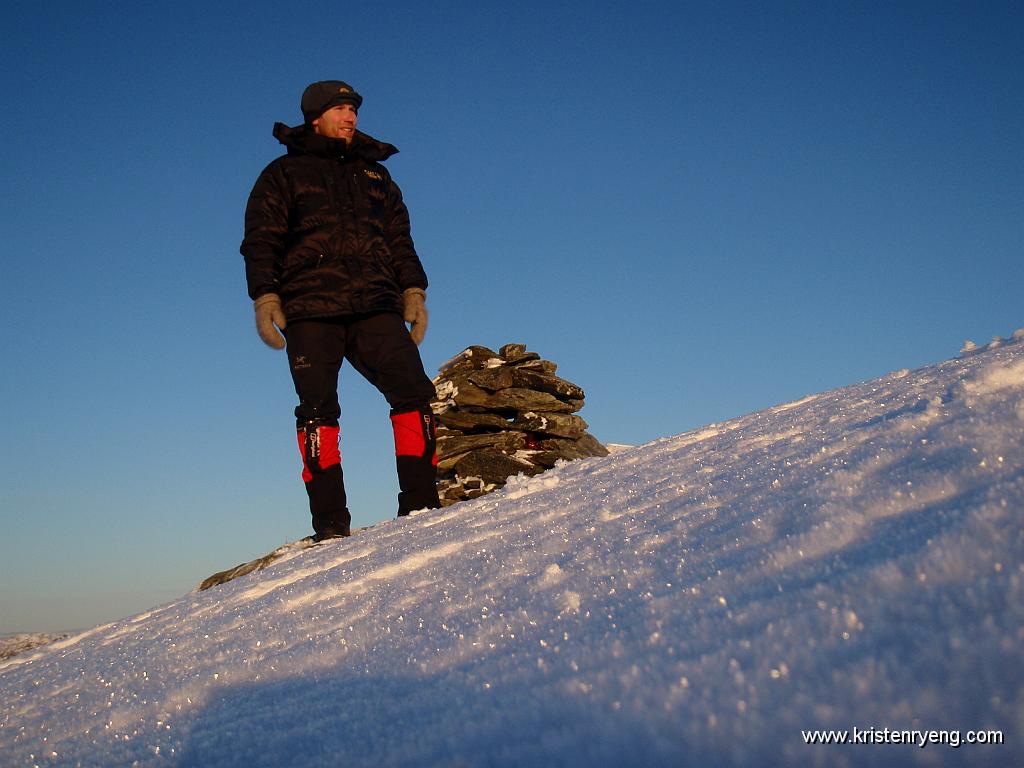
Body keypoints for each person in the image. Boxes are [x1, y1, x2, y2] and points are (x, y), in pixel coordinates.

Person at [240, 80, 440, 541]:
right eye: (340, 109)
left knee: (413, 392)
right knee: (317, 410)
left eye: (353, 108)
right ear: (315, 117)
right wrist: (265, 297)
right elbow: (261, 240)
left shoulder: (377, 176)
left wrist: (414, 291)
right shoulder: (283, 174)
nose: (351, 116)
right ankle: (330, 525)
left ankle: (422, 506)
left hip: (374, 304)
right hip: (309, 309)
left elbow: (399, 240)